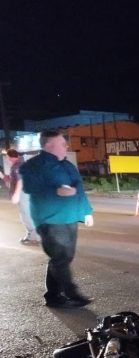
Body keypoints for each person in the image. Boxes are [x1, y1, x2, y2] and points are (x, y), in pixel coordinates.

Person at [19, 130, 94, 308]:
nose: (66, 146)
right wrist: (56, 192)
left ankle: (53, 295)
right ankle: (71, 293)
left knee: (64, 258)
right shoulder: (33, 165)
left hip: (70, 217)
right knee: (60, 258)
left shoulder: (68, 166)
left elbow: (79, 189)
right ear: (48, 145)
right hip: (50, 219)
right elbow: (30, 188)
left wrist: (87, 211)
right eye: (62, 143)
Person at [8, 149, 41, 244]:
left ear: (10, 157)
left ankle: (33, 237)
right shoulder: (23, 163)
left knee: (26, 215)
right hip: (28, 191)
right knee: (28, 213)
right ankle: (36, 235)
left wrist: (17, 194)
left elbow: (20, 180)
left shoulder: (18, 165)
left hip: (23, 193)